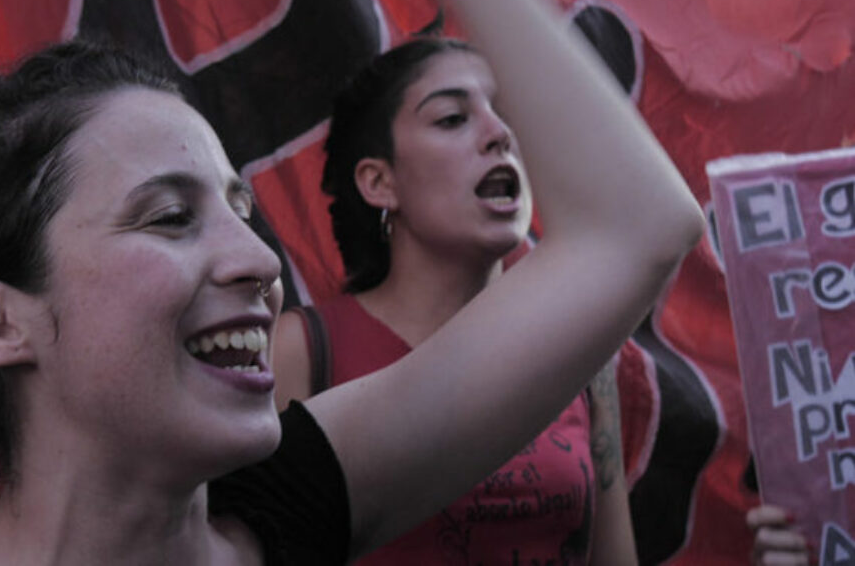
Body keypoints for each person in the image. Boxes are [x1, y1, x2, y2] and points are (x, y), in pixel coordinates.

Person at [0, 0, 704, 563]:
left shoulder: (290, 505)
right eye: (172, 216)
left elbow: (636, 227)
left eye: (242, 210)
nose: (259, 261)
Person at [273, 32, 636, 564]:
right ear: (379, 182)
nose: (500, 135)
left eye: (507, 114)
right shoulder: (299, 353)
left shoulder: (580, 349)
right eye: (451, 119)